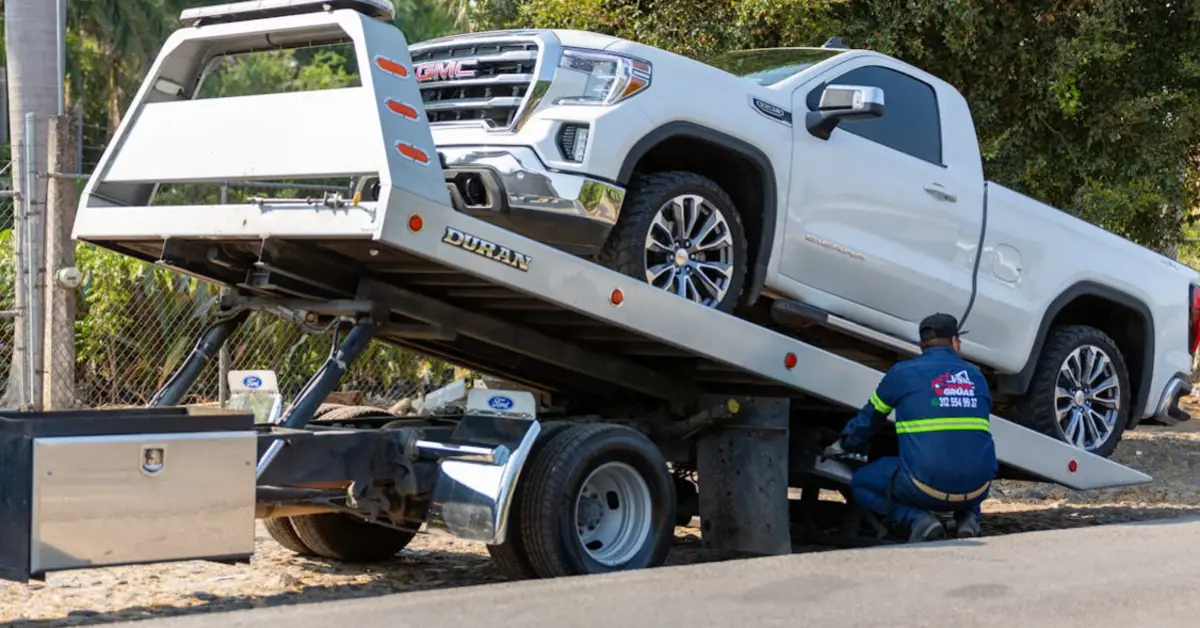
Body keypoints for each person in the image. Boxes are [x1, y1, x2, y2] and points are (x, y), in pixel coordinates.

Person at [823, 312, 998, 542]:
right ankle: (968, 519)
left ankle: (917, 519)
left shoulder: (902, 373)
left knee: (861, 484)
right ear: (955, 342)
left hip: (924, 488)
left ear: (921, 345)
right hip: (979, 488)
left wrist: (842, 444)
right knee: (965, 460)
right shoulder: (977, 377)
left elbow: (868, 421)